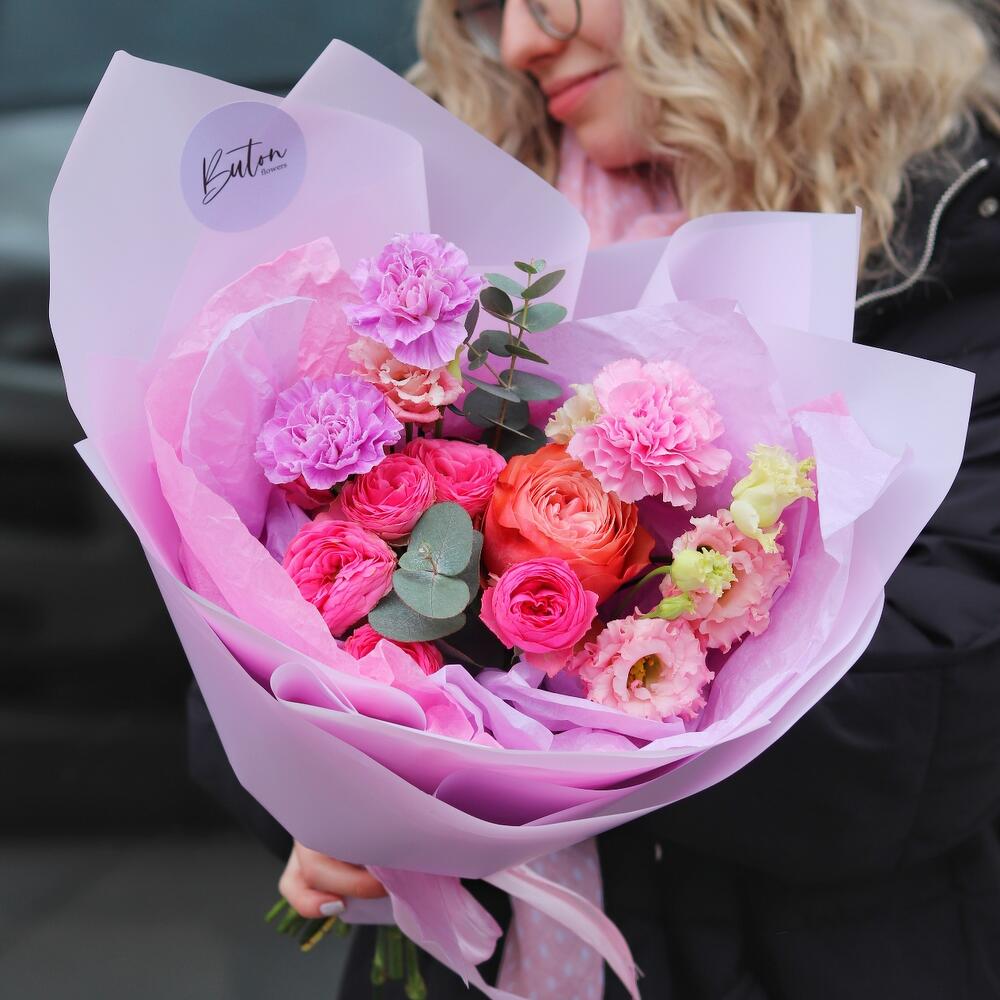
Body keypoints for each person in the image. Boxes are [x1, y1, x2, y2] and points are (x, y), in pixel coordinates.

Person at [188, 1, 1000, 996]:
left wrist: (537, 708)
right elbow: (237, 615)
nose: (521, 41)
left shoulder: (947, 244)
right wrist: (334, 795)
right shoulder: (438, 236)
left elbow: (942, 703)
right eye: (485, 8)